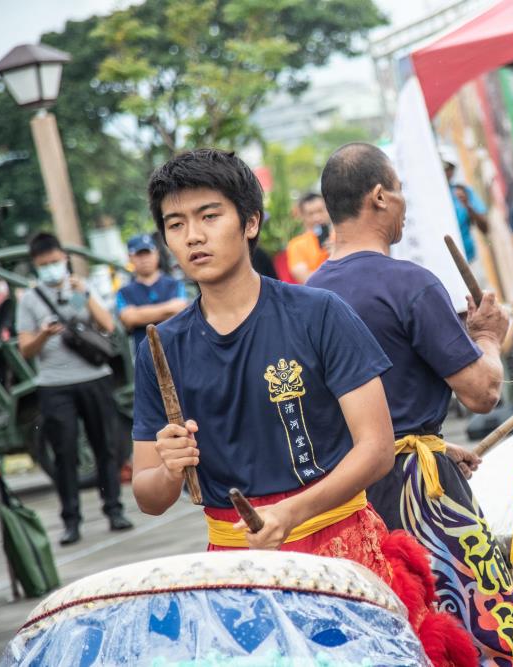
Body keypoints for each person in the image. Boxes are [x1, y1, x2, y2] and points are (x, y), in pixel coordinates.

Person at [130, 148, 477, 666]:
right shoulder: (162, 349)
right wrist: (170, 466)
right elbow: (149, 495)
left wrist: (291, 513)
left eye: (209, 216)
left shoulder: (318, 313)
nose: (193, 236)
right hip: (236, 569)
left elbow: (377, 449)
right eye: (176, 224)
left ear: (250, 222)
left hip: (343, 551)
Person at [307, 143, 513, 665]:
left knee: (390, 625)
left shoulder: (304, 295)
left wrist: (435, 443)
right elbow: (482, 393)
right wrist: (485, 338)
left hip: (346, 496)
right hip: (419, 489)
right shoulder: (408, 283)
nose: (405, 203)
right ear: (379, 196)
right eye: (400, 191)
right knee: (472, 623)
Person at [16, 233, 133, 545]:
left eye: (56, 262)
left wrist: (86, 294)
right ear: (35, 265)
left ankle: (115, 510)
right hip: (54, 385)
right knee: (65, 452)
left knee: (105, 446)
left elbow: (108, 325)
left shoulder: (81, 288)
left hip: (94, 377)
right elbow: (26, 348)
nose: (52, 268)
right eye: (45, 265)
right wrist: (42, 334)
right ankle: (71, 521)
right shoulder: (29, 300)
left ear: (64, 258)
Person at [115, 233, 188, 352]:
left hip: (179, 352)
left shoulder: (174, 284)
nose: (144, 259)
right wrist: (168, 309)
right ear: (130, 257)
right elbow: (129, 318)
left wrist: (141, 314)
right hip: (145, 357)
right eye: (139, 255)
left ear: (156, 254)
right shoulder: (124, 292)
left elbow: (182, 310)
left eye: (148, 253)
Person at [441, 145, 489, 263]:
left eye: (448, 167)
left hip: (468, 259)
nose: (446, 171)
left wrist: (467, 206)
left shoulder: (463, 192)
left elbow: (485, 227)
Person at [285, 193, 331, 283]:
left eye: (320, 211)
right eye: (311, 214)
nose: (317, 217)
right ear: (302, 216)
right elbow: (305, 279)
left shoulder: (341, 236)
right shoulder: (296, 245)